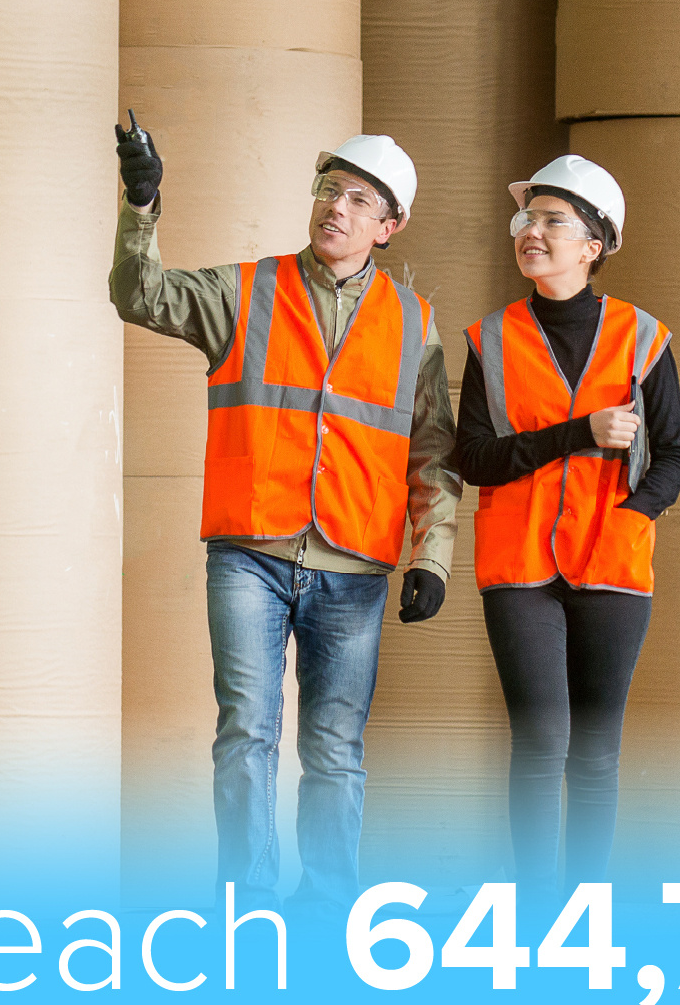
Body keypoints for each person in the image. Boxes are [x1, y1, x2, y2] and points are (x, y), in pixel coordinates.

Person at [110, 125, 461, 916]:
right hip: (249, 554)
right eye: (330, 190)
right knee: (246, 733)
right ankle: (246, 906)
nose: (337, 207)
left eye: (359, 199)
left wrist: (432, 557)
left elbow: (432, 453)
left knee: (334, 751)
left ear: (389, 225)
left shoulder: (414, 325)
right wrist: (142, 206)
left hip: (355, 568)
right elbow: (140, 295)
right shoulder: (247, 290)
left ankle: (332, 912)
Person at [456, 154, 680, 901]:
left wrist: (633, 515)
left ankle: (585, 912)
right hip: (519, 568)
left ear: (594, 244)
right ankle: (535, 913)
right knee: (540, 744)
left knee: (593, 753)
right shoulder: (487, 341)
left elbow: (677, 456)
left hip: (614, 565)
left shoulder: (642, 337)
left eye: (554, 220)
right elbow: (475, 460)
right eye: (528, 218)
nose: (533, 231)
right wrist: (577, 432)